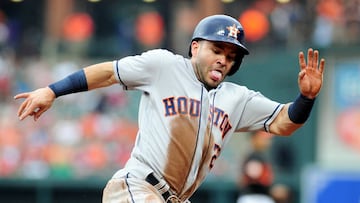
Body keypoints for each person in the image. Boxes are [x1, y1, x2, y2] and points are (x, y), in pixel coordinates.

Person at [14, 14, 325, 203]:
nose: (223, 59)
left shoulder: (237, 99)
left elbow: (285, 122)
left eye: (231, 56)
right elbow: (109, 72)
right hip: (136, 188)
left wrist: (306, 98)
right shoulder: (164, 66)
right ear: (195, 47)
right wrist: (52, 90)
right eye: (217, 49)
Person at [236, 131, 275, 203]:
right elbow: (255, 179)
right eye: (263, 138)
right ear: (254, 138)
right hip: (253, 198)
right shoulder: (253, 156)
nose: (267, 141)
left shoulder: (260, 156)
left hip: (257, 197)